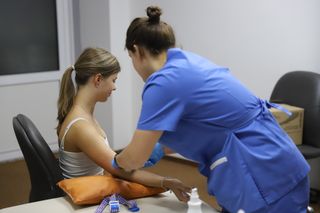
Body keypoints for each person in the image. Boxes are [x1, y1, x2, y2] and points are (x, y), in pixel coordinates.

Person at [112, 6, 311, 213]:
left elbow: (135, 158)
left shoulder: (162, 83)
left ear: (136, 51)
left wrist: (116, 160)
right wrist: (162, 147)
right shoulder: (187, 64)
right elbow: (206, 125)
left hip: (263, 176)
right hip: (277, 161)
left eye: (131, 58)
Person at [56, 47, 191, 202]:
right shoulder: (81, 126)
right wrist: (166, 182)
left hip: (94, 185)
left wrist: (152, 150)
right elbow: (120, 170)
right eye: (113, 80)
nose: (114, 87)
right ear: (98, 79)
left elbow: (113, 162)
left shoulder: (82, 115)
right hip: (88, 197)